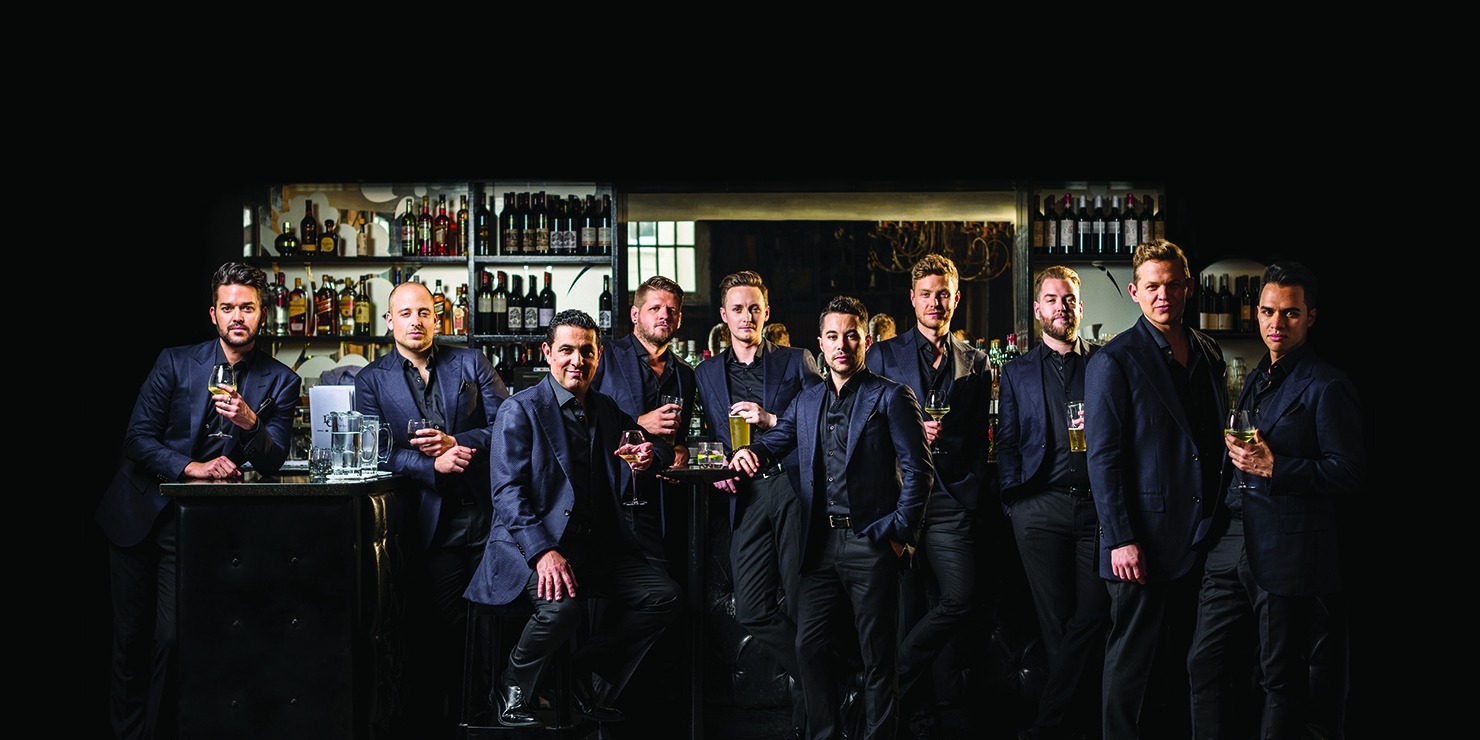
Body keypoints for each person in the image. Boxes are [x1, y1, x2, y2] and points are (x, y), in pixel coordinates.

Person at [98, 261, 302, 740]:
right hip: (139, 511)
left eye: (247, 307)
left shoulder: (280, 381)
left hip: (196, 526)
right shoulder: (175, 361)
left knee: (171, 638)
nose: (238, 316)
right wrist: (191, 468)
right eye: (228, 307)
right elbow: (137, 439)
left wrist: (251, 423)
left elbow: (272, 462)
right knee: (129, 642)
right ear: (213, 314)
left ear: (262, 313)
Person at [463, 309, 680, 728]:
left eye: (586, 351)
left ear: (599, 357)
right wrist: (544, 552)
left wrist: (651, 455)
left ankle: (576, 673)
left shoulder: (603, 407)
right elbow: (507, 494)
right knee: (563, 608)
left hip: (591, 548)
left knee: (665, 596)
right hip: (527, 550)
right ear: (547, 352)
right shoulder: (520, 409)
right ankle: (511, 686)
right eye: (566, 350)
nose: (576, 360)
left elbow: (656, 447)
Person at [731, 295, 932, 740]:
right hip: (819, 546)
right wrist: (750, 450)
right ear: (820, 343)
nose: (842, 345)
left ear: (866, 340)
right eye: (833, 337)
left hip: (871, 542)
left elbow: (920, 471)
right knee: (809, 647)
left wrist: (899, 535)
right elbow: (777, 439)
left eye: (852, 336)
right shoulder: (808, 399)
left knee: (879, 657)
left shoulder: (892, 395)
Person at [1186, 261, 1364, 739]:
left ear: (1310, 318)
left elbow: (1349, 472)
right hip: (1228, 539)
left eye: (1289, 313)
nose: (1274, 323)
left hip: (1285, 547)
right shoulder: (1256, 378)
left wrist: (1276, 467)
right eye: (1267, 311)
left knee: (1278, 678)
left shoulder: (1327, 385)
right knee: (1203, 664)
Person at [353, 279, 510, 737]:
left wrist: (458, 442)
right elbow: (373, 452)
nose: (416, 321)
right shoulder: (370, 379)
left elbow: (508, 423)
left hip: (485, 513)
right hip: (426, 521)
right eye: (405, 313)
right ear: (389, 321)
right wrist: (432, 465)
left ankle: (490, 713)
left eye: (424, 312)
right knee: (441, 627)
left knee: (492, 620)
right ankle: (449, 718)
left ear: (437, 319)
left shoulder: (470, 360)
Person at [1084, 239, 1227, 740]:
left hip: (1201, 536)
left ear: (1187, 287)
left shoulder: (1208, 350)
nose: (1163, 294)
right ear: (1134, 292)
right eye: (1152, 286)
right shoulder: (1114, 360)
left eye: (1172, 284)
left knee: (1182, 664)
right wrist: (1120, 537)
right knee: (1132, 665)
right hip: (1139, 542)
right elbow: (1103, 458)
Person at [863, 253, 994, 730]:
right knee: (908, 608)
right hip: (899, 497)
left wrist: (972, 486)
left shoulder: (976, 362)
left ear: (955, 299)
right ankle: (911, 716)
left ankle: (886, 675)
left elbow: (980, 435)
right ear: (912, 299)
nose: (935, 302)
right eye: (926, 294)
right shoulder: (881, 354)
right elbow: (866, 426)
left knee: (960, 596)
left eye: (943, 294)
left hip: (952, 498)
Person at [695, 271, 823, 738]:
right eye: (738, 308)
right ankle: (823, 682)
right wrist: (721, 466)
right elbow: (706, 435)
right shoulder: (706, 372)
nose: (747, 316)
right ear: (724, 316)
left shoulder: (796, 360)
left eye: (755, 308)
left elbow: (821, 419)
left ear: (766, 313)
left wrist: (770, 418)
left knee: (801, 601)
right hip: (743, 497)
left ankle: (811, 712)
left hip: (790, 489)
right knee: (751, 608)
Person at [997, 265, 1109, 740]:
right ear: (1038, 308)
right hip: (1037, 509)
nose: (1060, 306)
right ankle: (1080, 727)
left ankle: (1049, 727)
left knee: (1093, 617)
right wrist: (1013, 504)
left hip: (1096, 509)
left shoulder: (1106, 362)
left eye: (1068, 299)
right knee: (1054, 623)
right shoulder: (1016, 370)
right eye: (1051, 298)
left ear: (1080, 307)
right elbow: (1005, 442)